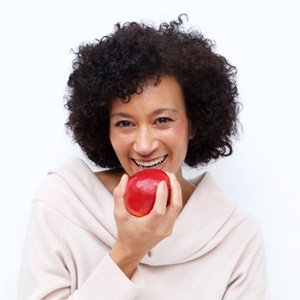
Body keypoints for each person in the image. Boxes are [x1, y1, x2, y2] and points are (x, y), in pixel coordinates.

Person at [18, 15, 267, 299]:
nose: (144, 145)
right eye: (125, 123)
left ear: (194, 122)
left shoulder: (236, 235)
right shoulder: (63, 202)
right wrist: (127, 252)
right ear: (105, 127)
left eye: (162, 120)